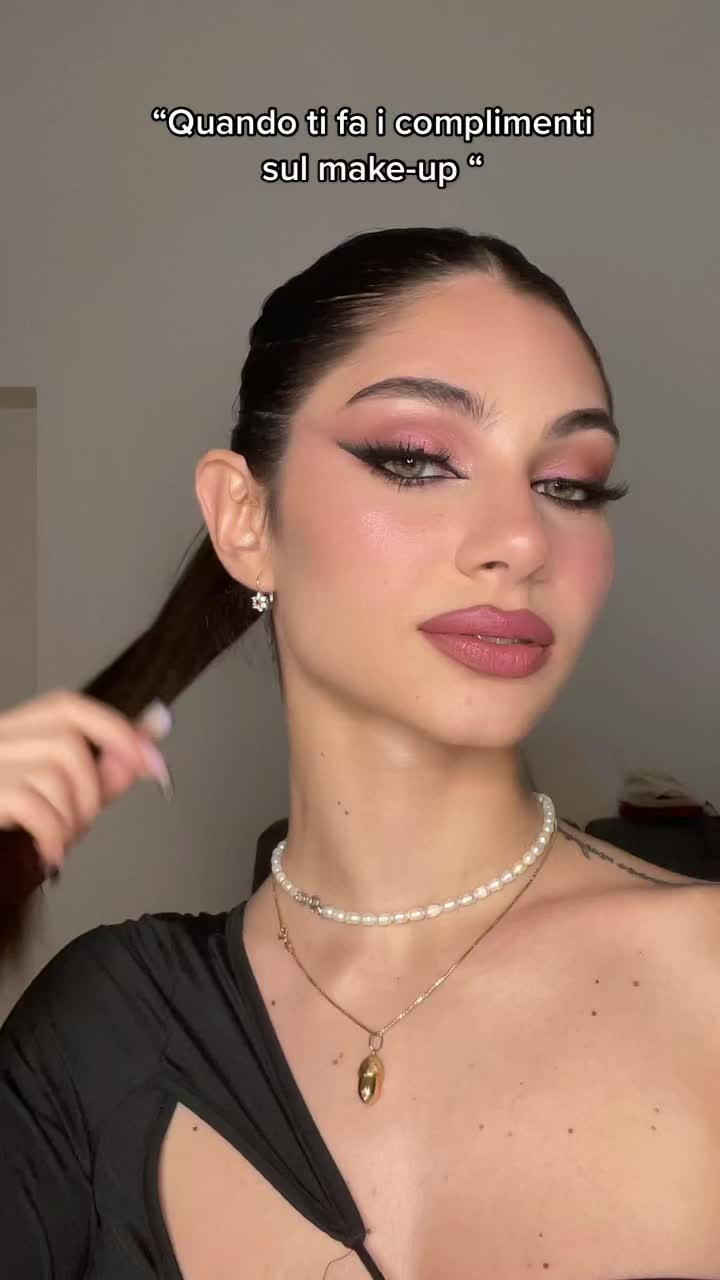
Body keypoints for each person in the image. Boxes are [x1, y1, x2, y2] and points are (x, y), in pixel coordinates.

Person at [1, 226, 718, 1280]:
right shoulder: (102, 1032)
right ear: (245, 520)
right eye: (416, 459)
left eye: (570, 483)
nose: (522, 539)